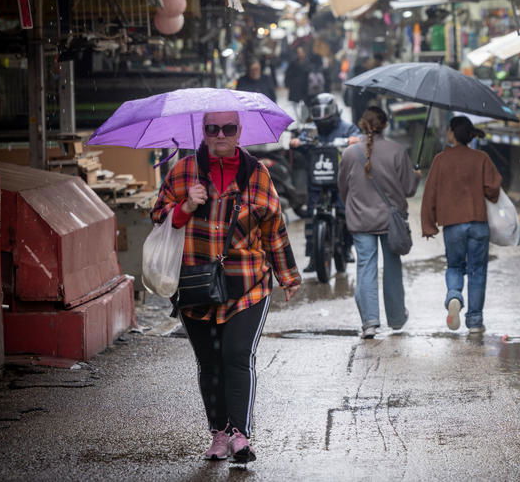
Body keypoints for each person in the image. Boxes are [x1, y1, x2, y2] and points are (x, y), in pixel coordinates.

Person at [150, 111, 301, 463]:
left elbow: (273, 227)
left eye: (228, 128)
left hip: (247, 282)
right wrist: (186, 205)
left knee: (236, 355)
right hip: (195, 282)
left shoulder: (257, 173)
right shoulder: (183, 171)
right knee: (209, 362)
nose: (220, 134)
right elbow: (157, 216)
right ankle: (218, 432)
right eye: (212, 128)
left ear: (239, 131)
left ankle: (240, 435)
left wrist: (288, 275)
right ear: (203, 132)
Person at [338, 106, 420, 339]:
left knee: (366, 267)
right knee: (392, 266)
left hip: (360, 219)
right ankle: (396, 318)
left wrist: (353, 205)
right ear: (385, 125)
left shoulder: (350, 153)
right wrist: (416, 177)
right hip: (391, 220)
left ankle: (370, 322)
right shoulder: (397, 151)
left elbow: (342, 187)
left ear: (362, 124)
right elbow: (408, 189)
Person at [420, 116, 502, 334]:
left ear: (452, 133)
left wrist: (428, 224)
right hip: (478, 223)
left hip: (453, 224)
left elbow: (430, 194)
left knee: (455, 266)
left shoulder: (440, 160)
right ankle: (475, 321)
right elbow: (493, 188)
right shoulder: (481, 158)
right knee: (478, 271)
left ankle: (454, 295)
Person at [290, 93, 361, 272]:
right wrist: (296, 142)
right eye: (317, 112)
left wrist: (354, 140)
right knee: (310, 216)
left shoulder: (347, 128)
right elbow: (299, 141)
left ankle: (347, 248)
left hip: (340, 181)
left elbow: (358, 138)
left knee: (345, 211)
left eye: (325, 111)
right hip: (316, 181)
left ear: (334, 110)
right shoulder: (311, 130)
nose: (321, 116)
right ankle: (313, 257)